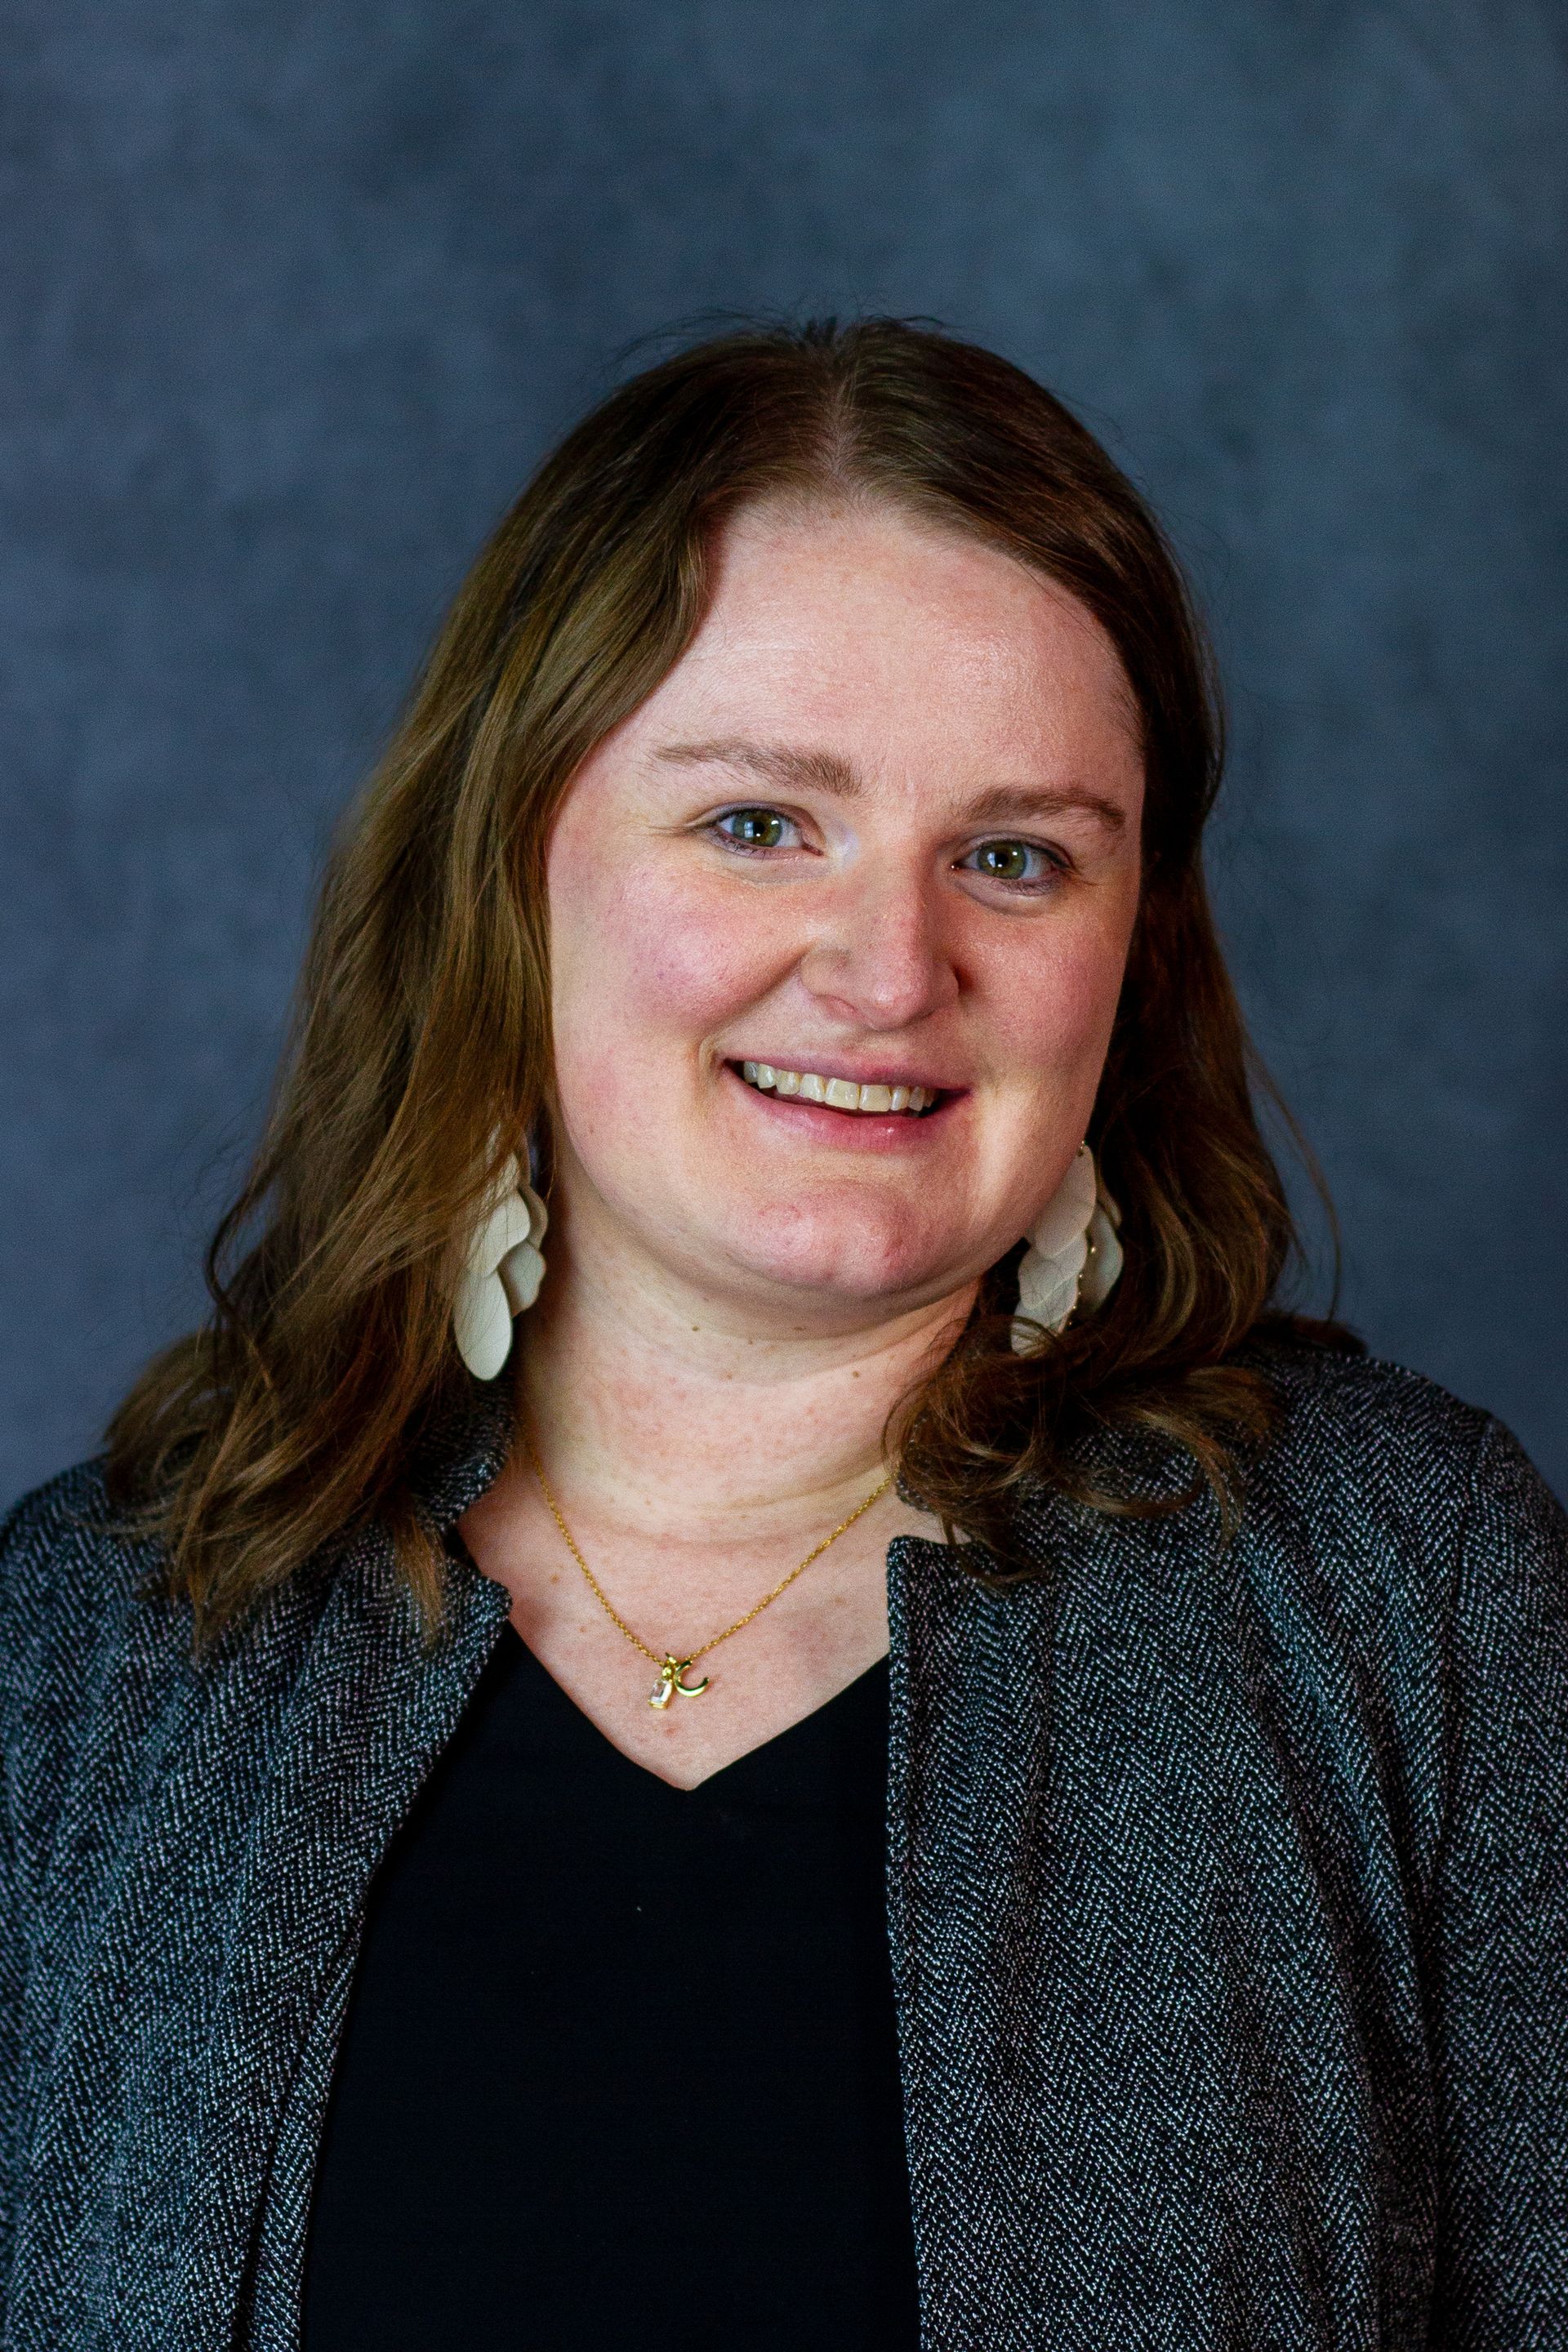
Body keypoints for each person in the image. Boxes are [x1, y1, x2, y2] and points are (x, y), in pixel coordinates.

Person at [1, 317, 1563, 2352]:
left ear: (1132, 951)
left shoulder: (1409, 1596)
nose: (891, 967)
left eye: (1014, 857)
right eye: (760, 822)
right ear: (510, 864)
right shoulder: (84, 1652)